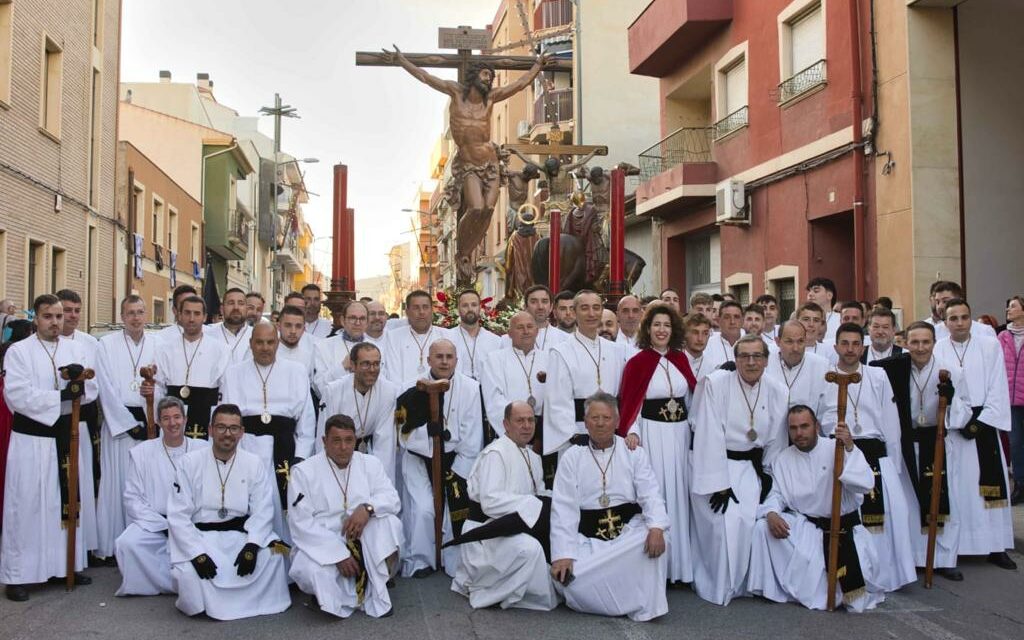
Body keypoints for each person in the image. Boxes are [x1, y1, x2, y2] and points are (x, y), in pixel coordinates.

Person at [385, 46, 546, 282]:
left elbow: (519, 85)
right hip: (469, 164)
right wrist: (401, 60)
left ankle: (466, 252)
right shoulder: (455, 92)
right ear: (474, 75)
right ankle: (463, 252)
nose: (488, 79)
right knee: (476, 208)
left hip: (490, 162)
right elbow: (426, 77)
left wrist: (537, 66)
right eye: (485, 74)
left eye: (490, 76)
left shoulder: (490, 99)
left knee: (489, 210)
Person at [1, 294, 99, 601]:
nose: (55, 322)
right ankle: (19, 575)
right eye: (48, 316)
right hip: (32, 441)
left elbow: (93, 387)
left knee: (65, 501)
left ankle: (65, 564)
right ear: (36, 318)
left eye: (59, 316)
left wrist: (79, 387)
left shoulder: (77, 349)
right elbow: (18, 394)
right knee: (28, 506)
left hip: (65, 437)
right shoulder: (19, 352)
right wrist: (60, 397)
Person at [748, 405, 886, 612]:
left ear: (817, 426)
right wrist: (771, 513)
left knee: (852, 595)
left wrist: (849, 447)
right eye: (793, 428)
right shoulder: (783, 459)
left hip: (843, 531)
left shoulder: (836, 449)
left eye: (805, 426)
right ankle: (772, 589)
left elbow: (865, 485)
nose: (799, 433)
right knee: (762, 527)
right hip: (809, 531)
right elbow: (776, 495)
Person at [550, 392, 669, 621]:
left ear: (617, 420)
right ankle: (629, 595)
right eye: (594, 418)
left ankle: (635, 601)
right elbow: (563, 509)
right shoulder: (571, 457)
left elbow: (650, 493)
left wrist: (656, 528)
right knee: (572, 581)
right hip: (589, 540)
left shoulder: (634, 453)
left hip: (626, 536)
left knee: (657, 538)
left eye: (606, 417)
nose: (601, 423)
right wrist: (563, 554)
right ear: (585, 423)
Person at [689, 335, 789, 605]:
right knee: (727, 519)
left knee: (750, 519)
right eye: (744, 356)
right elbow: (707, 434)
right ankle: (719, 584)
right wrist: (718, 483)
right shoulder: (716, 384)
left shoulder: (778, 390)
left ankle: (748, 582)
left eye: (757, 356)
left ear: (767, 360)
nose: (751, 362)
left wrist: (770, 479)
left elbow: (777, 442)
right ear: (736, 360)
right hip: (718, 466)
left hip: (752, 468)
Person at [168, 404, 290, 620]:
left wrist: (252, 545)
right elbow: (178, 515)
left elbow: (263, 509)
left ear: (242, 432)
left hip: (241, 535)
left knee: (275, 556)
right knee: (188, 573)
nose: (227, 434)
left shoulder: (254, 463)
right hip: (202, 537)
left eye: (234, 428)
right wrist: (197, 554)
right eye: (221, 427)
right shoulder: (189, 463)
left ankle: (250, 603)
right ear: (210, 429)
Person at [819, 323, 916, 592]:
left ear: (862, 348)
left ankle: (883, 575)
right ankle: (850, 574)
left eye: (855, 344)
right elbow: (817, 420)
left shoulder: (877, 376)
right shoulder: (824, 377)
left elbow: (890, 420)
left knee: (886, 517)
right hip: (838, 453)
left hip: (873, 453)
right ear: (836, 346)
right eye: (844, 343)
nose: (850, 349)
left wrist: (893, 463)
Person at [873, 322, 971, 580]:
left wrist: (950, 402)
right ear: (905, 343)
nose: (920, 348)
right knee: (911, 503)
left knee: (944, 501)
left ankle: (945, 558)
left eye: (925, 342)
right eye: (914, 342)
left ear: (933, 342)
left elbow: (965, 412)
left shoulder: (950, 372)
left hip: (936, 442)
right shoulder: (894, 369)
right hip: (907, 444)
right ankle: (916, 557)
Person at [288, 414, 403, 619]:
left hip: (361, 537)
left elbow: (392, 499)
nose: (343, 447)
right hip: (322, 542)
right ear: (324, 441)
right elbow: (301, 523)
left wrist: (367, 508)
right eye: (336, 440)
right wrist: (337, 555)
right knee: (314, 571)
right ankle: (331, 598)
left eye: (349, 440)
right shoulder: (303, 472)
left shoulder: (371, 463)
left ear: (355, 441)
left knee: (390, 523)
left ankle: (375, 585)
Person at [450, 401, 558, 611]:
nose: (526, 426)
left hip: (513, 527)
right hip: (485, 533)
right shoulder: (496, 453)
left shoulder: (532, 456)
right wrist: (531, 504)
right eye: (520, 421)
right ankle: (498, 594)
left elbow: (539, 491)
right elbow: (490, 501)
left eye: (530, 420)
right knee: (530, 549)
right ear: (506, 424)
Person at [618, 304, 697, 585]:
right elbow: (631, 404)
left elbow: (693, 400)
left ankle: (680, 569)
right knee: (658, 491)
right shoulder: (637, 362)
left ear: (673, 329)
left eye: (666, 325)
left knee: (680, 496)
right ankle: (657, 568)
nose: (662, 330)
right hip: (653, 435)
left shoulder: (682, 359)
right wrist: (633, 430)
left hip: (679, 435)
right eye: (656, 325)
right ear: (647, 329)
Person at [934, 299, 1016, 569]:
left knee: (988, 489)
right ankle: (957, 548)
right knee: (959, 489)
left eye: (964, 317)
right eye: (953, 318)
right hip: (954, 427)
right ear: (945, 323)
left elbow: (997, 386)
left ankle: (995, 546)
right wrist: (958, 419)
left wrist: (980, 422)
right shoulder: (938, 349)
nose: (959, 323)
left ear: (970, 319)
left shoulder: (989, 346)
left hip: (984, 425)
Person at [220, 322, 316, 544]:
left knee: (286, 509)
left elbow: (307, 421)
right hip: (248, 448)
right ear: (251, 344)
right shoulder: (234, 373)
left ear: (278, 343)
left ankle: (287, 565)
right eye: (259, 342)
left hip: (285, 450)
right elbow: (228, 417)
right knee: (252, 504)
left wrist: (299, 458)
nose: (265, 347)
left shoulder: (296, 371)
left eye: (270, 342)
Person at [395, 339, 482, 578]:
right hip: (419, 459)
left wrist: (459, 466)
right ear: (428, 360)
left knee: (453, 507)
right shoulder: (410, 388)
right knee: (424, 508)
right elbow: (403, 435)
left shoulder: (471, 388)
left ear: (456, 360)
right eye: (439, 356)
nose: (444, 361)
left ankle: (449, 558)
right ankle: (421, 560)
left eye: (449, 357)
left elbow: (473, 433)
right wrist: (426, 435)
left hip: (455, 459)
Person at [114, 397, 210, 596]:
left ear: (185, 419)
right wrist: (164, 526)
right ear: (158, 422)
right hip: (157, 524)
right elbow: (132, 498)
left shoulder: (203, 449)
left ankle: (186, 580)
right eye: (166, 418)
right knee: (127, 543)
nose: (172, 423)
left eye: (177, 417)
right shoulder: (142, 453)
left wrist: (182, 524)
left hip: (193, 522)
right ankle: (165, 583)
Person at [94, 295, 159, 561]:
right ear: (122, 316)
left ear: (146, 315)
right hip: (119, 426)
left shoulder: (157, 343)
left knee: (145, 485)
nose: (136, 317)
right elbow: (104, 388)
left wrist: (152, 400)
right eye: (130, 312)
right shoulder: (106, 345)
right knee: (116, 484)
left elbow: (163, 381)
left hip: (149, 422)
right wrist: (127, 425)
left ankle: (144, 543)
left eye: (140, 311)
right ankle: (111, 546)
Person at [545, 291, 625, 464]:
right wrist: (574, 435)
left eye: (596, 308)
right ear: (574, 312)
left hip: (612, 436)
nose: (591, 313)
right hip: (577, 438)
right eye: (584, 308)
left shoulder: (615, 351)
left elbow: (622, 396)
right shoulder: (561, 352)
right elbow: (557, 402)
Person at [481, 312, 551, 484]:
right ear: (509, 333)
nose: (526, 331)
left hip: (545, 436)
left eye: (530, 327)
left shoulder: (550, 358)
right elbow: (494, 399)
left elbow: (557, 398)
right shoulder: (495, 359)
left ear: (537, 331)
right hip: (510, 436)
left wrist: (540, 431)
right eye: (520, 327)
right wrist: (519, 430)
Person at [317, 342, 398, 484]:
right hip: (339, 450)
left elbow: (385, 441)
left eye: (376, 364)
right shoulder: (333, 391)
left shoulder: (388, 391)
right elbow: (324, 437)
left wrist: (381, 481)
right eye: (366, 364)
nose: (372, 369)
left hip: (369, 451)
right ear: (352, 366)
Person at [151, 296, 228, 440]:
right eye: (187, 313)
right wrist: (161, 419)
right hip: (172, 420)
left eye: (197, 313)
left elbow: (225, 391)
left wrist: (219, 424)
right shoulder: (164, 349)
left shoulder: (221, 350)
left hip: (207, 418)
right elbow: (158, 387)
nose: (191, 318)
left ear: (205, 317)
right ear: (179, 315)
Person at [56, 289, 101, 504]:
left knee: (85, 473)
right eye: (67, 310)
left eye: (77, 311)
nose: (73, 315)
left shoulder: (90, 343)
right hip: (56, 421)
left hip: (84, 418)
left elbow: (96, 384)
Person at [382, 290, 444, 390]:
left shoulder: (445, 336)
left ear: (432, 310)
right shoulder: (393, 337)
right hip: (405, 399)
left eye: (425, 307)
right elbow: (393, 378)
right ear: (407, 312)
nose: (421, 312)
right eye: (416, 308)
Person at [765, 320, 830, 409]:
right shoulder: (765, 363)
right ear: (778, 342)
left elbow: (828, 408)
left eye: (800, 341)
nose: (795, 348)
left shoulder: (821, 367)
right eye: (789, 341)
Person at [314, 300, 376, 391]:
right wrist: (342, 367)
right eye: (352, 318)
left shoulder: (377, 348)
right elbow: (319, 389)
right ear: (343, 321)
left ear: (367, 322)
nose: (357, 323)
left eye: (362, 319)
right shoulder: (323, 347)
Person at [1000, 295, 1024, 505]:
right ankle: (1019, 484)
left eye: (1013, 306)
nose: (1009, 309)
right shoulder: (1003, 336)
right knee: (1016, 444)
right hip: (1010, 399)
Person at [448, 290, 501, 381]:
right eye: (465, 305)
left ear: (480, 307)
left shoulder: (495, 341)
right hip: (457, 391)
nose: (470, 309)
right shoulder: (448, 338)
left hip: (486, 392)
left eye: (474, 305)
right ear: (458, 309)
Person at [500, 285, 567, 351]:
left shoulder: (565, 339)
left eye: (544, 301)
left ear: (551, 307)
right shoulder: (507, 340)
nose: (540, 307)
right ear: (525, 307)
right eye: (534, 302)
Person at [925, 281, 996, 342]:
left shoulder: (984, 331)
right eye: (937, 302)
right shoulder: (932, 333)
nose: (940, 306)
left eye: (945, 301)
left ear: (960, 300)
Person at [204, 288, 252, 364]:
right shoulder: (208, 335)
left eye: (241, 303)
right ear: (222, 309)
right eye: (231, 303)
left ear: (247, 309)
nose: (236, 307)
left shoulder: (256, 335)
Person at [276, 304, 318, 391]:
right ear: (279, 326)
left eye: (298, 326)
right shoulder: (267, 354)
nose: (293, 331)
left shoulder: (309, 357)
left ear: (303, 329)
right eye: (288, 325)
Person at [683, 312, 720, 381]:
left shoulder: (713, 367)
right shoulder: (674, 362)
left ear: (709, 336)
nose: (700, 338)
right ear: (685, 334)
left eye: (705, 333)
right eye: (695, 332)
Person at [706, 300, 743, 366]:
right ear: (719, 320)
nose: (732, 322)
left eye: (736, 317)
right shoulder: (707, 346)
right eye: (727, 317)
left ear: (742, 320)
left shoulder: (752, 345)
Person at [806, 277, 840, 344]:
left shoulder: (840, 319)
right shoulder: (801, 319)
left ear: (829, 295)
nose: (810, 294)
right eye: (809, 291)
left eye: (816, 291)